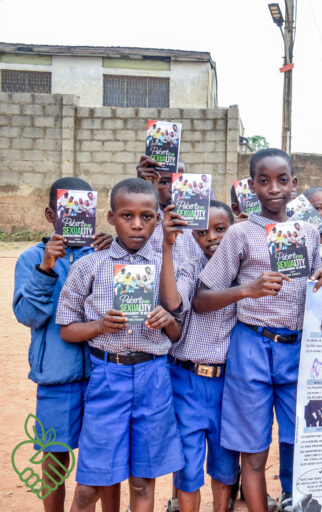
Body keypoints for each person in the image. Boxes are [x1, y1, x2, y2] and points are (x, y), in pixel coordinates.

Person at [192, 149, 322, 512]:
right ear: (251, 187)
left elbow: (318, 282)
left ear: (293, 185)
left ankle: (298, 501)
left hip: (297, 348)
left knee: (302, 441)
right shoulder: (239, 235)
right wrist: (247, 290)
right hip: (251, 345)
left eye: (282, 181)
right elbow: (201, 299)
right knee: (253, 451)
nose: (273, 188)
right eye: (263, 181)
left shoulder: (309, 234)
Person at [56, 178, 184, 512]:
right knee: (91, 484)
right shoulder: (89, 265)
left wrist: (166, 318)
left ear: (157, 220)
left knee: (143, 481)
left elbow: (177, 331)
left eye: (146, 216)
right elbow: (66, 330)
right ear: (111, 217)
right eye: (127, 216)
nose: (137, 224)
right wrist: (99, 325)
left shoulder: (164, 265)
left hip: (153, 378)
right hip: (107, 378)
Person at [12, 177, 119, 512]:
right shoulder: (31, 258)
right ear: (50, 214)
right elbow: (28, 315)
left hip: (102, 372)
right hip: (55, 377)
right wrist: (46, 268)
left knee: (105, 456)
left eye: (83, 211)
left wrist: (113, 251)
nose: (76, 218)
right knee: (55, 456)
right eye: (67, 211)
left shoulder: (102, 253)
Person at [158, 199, 240, 512]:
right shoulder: (192, 269)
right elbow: (173, 302)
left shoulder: (244, 273)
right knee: (188, 469)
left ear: (235, 231)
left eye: (221, 229)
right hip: (186, 380)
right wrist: (167, 246)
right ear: (193, 237)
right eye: (202, 231)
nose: (212, 237)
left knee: (224, 464)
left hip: (228, 384)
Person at [136, 155, 204, 266]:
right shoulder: (145, 221)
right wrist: (140, 184)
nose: (173, 188)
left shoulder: (201, 220)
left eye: (181, 182)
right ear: (152, 184)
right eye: (164, 182)